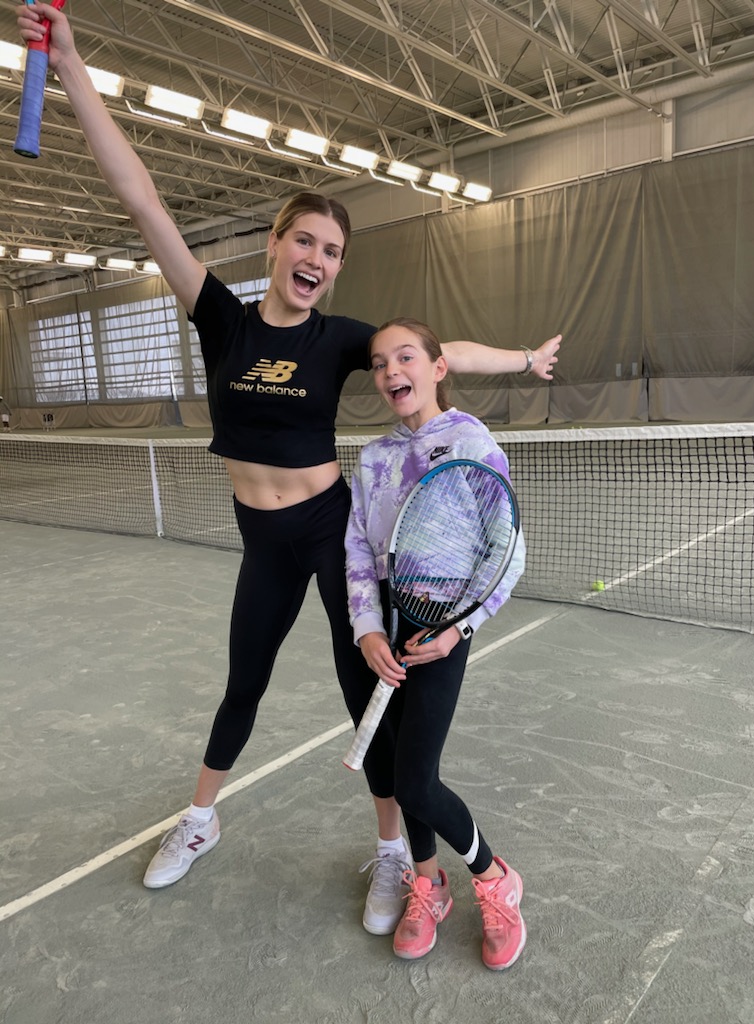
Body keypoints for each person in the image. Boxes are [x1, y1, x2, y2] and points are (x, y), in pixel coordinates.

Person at [18, 4, 560, 935]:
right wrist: (69, 65)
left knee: (364, 690)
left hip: (330, 525)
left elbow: (431, 351)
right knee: (244, 682)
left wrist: (520, 360)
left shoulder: (340, 338)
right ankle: (200, 820)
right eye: (304, 241)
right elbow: (143, 199)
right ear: (274, 247)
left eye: (333, 251)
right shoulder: (219, 318)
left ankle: (397, 855)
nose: (318, 258)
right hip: (260, 537)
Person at [344, 317, 526, 969]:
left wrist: (459, 629)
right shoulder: (372, 459)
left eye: (405, 357)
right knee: (394, 773)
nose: (392, 371)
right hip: (387, 630)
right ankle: (430, 882)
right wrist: (367, 627)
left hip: (446, 624)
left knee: (415, 781)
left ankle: (491, 875)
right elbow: (359, 550)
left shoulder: (472, 443)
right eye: (379, 363)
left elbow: (506, 550)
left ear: (437, 367)